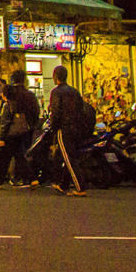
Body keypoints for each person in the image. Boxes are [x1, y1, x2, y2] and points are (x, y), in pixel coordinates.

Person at [0, 72, 36, 189]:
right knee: (20, 155)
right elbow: (35, 113)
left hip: (10, 134)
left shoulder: (8, 105)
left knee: (4, 157)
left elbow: (5, 123)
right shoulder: (29, 95)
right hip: (25, 130)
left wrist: (1, 138)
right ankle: (31, 178)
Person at [49, 65, 88, 196]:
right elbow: (82, 110)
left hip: (64, 128)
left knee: (69, 157)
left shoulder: (56, 92)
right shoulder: (74, 91)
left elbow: (56, 111)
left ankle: (80, 187)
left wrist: (54, 128)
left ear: (55, 77)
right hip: (76, 127)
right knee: (65, 155)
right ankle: (63, 184)